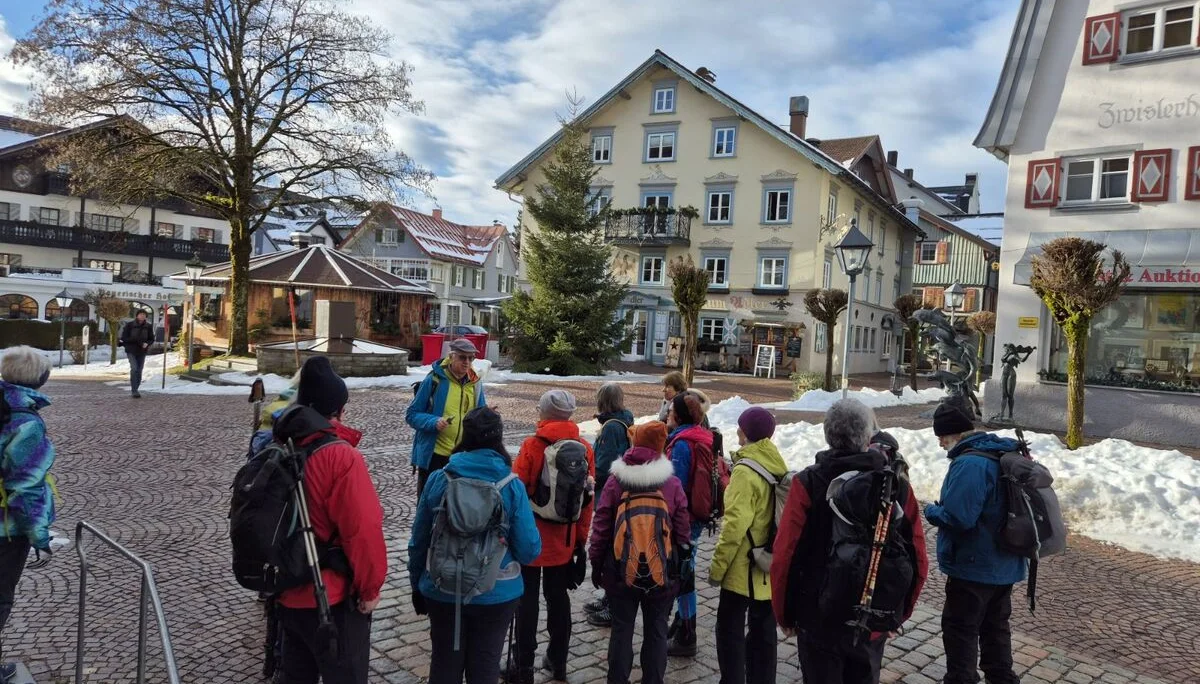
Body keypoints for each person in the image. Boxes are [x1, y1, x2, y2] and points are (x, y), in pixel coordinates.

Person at [770, 399, 927, 684]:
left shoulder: (808, 482)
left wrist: (784, 614)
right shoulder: (897, 485)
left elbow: (786, 555)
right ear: (869, 437)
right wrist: (899, 614)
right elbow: (917, 555)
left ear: (828, 435)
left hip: (817, 614)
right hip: (873, 612)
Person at [273, 356, 387, 684]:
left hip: (287, 592)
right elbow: (362, 530)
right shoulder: (340, 456)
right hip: (331, 598)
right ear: (337, 410)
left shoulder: (278, 445)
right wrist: (369, 590)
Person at [408, 407, 541, 684]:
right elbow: (529, 550)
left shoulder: (439, 479)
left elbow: (419, 541)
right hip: (497, 591)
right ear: (499, 440)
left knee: (444, 664)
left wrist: (417, 585)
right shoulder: (510, 486)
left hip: (442, 588)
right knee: (485, 666)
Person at [924, 402, 1026, 684]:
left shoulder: (970, 464)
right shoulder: (998, 452)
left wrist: (931, 511)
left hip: (973, 567)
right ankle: (1002, 678)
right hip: (1005, 562)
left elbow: (959, 518)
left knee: (960, 629)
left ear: (952, 434)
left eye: (941, 437)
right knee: (995, 628)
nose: (940, 444)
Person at [589, 421, 690, 684]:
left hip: (621, 569)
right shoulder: (672, 482)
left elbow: (600, 527)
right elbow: (683, 532)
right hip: (661, 570)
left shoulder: (616, 481)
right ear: (661, 446)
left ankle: (617, 679)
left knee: (622, 630)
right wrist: (680, 569)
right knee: (657, 631)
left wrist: (597, 565)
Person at [505, 390, 595, 684]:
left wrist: (513, 535)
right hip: (564, 539)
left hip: (531, 539)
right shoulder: (584, 449)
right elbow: (587, 500)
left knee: (526, 601)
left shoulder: (532, 445)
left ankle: (524, 665)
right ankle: (558, 662)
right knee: (558, 600)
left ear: (544, 413)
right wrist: (580, 538)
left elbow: (517, 494)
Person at [709, 407, 785, 684]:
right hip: (767, 558)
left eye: (741, 426)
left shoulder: (744, 471)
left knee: (728, 629)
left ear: (747, 432)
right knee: (764, 631)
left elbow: (734, 526)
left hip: (742, 567)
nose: (737, 430)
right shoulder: (775, 461)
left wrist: (718, 567)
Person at [0, 347, 57, 682]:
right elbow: (26, 485)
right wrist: (39, 534)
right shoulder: (25, 421)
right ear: (39, 379)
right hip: (6, 529)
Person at [664, 391, 712, 657]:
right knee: (686, 571)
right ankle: (682, 623)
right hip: (696, 515)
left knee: (682, 575)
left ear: (678, 415)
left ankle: (687, 635)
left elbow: (676, 490)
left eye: (671, 410)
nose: (668, 414)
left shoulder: (682, 444)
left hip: (685, 520)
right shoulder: (700, 435)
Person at [407, 338, 486, 497]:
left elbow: (480, 416)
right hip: (435, 456)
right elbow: (412, 414)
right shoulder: (434, 380)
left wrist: (487, 414)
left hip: (461, 457)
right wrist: (433, 422)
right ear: (451, 357)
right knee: (428, 503)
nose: (467, 362)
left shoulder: (475, 383)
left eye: (471, 358)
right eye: (462, 357)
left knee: (456, 507)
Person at [584, 382, 634, 628]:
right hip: (619, 490)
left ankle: (613, 603)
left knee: (612, 550)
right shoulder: (623, 420)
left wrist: (591, 477)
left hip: (610, 493)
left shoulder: (612, 428)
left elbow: (603, 464)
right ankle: (608, 597)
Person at [119, 310, 154, 398]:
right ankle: (134, 390)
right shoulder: (130, 325)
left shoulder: (148, 326)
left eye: (144, 315)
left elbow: (151, 338)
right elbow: (124, 338)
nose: (142, 316)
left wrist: (147, 343)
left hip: (142, 351)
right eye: (140, 314)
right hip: (131, 350)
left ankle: (136, 388)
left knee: (139, 370)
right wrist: (135, 340)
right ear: (137, 315)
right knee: (134, 368)